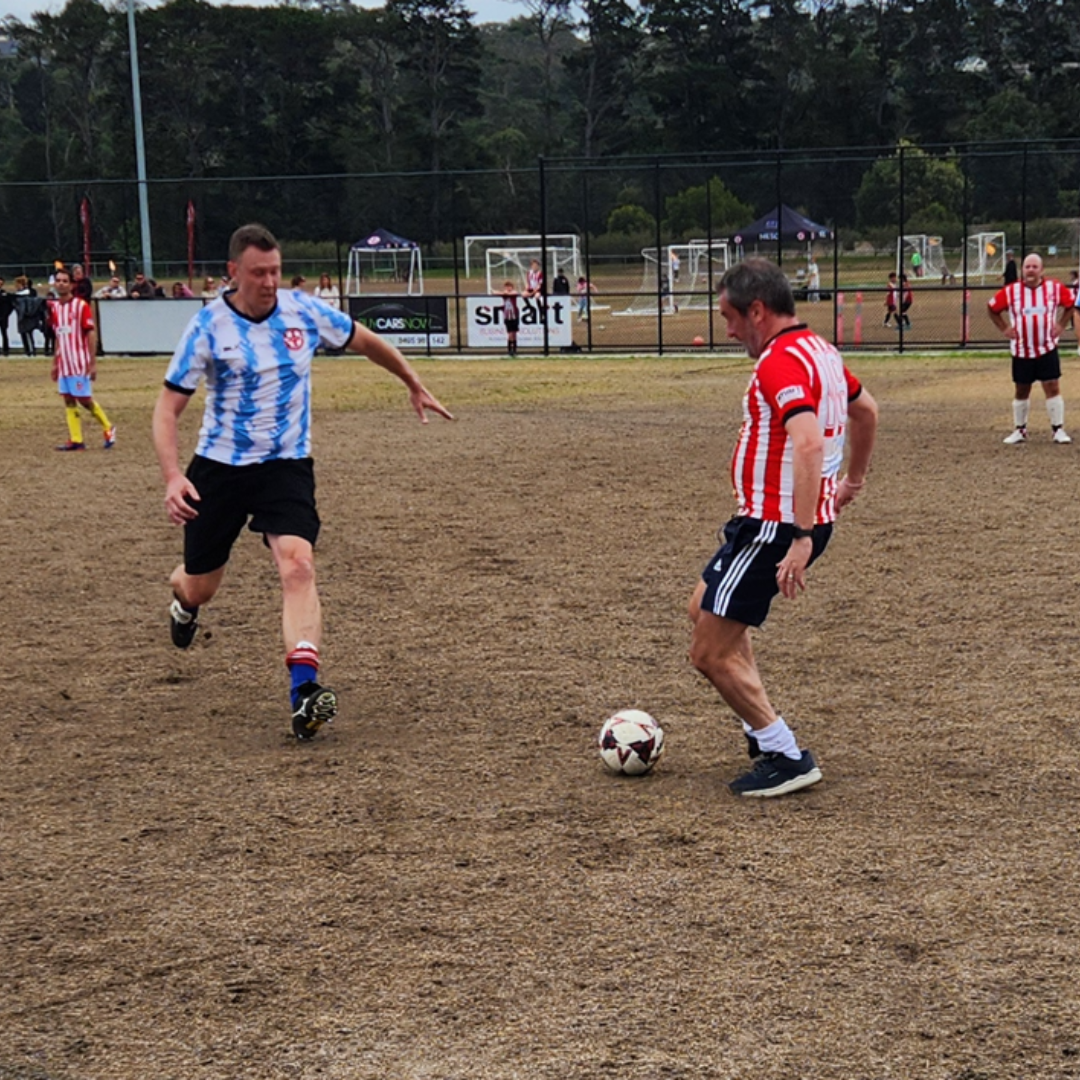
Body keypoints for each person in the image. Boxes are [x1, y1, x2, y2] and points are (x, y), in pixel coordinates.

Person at [152, 223, 453, 741]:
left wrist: (412, 381)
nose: (270, 281)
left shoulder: (303, 310)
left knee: (298, 564)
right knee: (202, 584)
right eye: (258, 273)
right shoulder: (207, 327)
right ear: (233, 273)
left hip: (285, 466)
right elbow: (166, 409)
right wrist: (174, 476)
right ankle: (183, 599)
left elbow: (365, 339)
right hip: (219, 469)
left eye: (275, 270)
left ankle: (305, 692)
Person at [687, 257, 878, 798]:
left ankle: (784, 753)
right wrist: (851, 484)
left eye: (729, 318)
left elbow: (809, 441)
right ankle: (762, 731)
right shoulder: (822, 351)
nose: (726, 331)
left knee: (707, 652)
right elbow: (868, 412)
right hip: (774, 522)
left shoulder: (779, 361)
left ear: (757, 310)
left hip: (774, 527)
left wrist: (799, 537)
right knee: (703, 607)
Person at [988, 252, 1074, 444]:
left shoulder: (1054, 287)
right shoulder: (1011, 291)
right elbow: (992, 308)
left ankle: (1058, 429)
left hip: (1046, 348)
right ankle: (1020, 429)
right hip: (1021, 350)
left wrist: (1060, 325)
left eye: (1035, 267)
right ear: (1022, 270)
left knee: (1052, 386)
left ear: (1041, 270)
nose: (1031, 270)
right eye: (1027, 267)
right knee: (1021, 389)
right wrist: (1004, 328)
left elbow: (1070, 305)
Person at [49, 267, 116, 452]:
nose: (61, 284)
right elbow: (58, 336)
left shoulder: (80, 306)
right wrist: (55, 362)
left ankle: (108, 427)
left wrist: (92, 362)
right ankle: (76, 439)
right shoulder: (55, 307)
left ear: (71, 285)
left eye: (64, 281)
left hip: (79, 361)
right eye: (58, 280)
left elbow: (90, 333)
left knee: (84, 399)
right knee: (68, 399)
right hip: (64, 363)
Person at [13, 276, 45, 357]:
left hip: (27, 318)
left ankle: (31, 351)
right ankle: (27, 350)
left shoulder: (28, 293)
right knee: (24, 335)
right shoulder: (18, 294)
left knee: (28, 335)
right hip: (22, 318)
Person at [500, 280, 520, 356]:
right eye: (507, 287)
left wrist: (507, 292)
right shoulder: (504, 295)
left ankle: (514, 349)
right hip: (507, 316)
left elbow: (515, 292)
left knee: (514, 333)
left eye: (510, 287)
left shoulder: (513, 294)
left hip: (514, 315)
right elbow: (500, 293)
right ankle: (510, 350)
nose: (508, 288)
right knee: (510, 333)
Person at [0, 278, 13, 356]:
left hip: (3, 317)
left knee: (4, 333)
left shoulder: (5, 294)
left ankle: (6, 350)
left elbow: (9, 306)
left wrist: (6, 314)